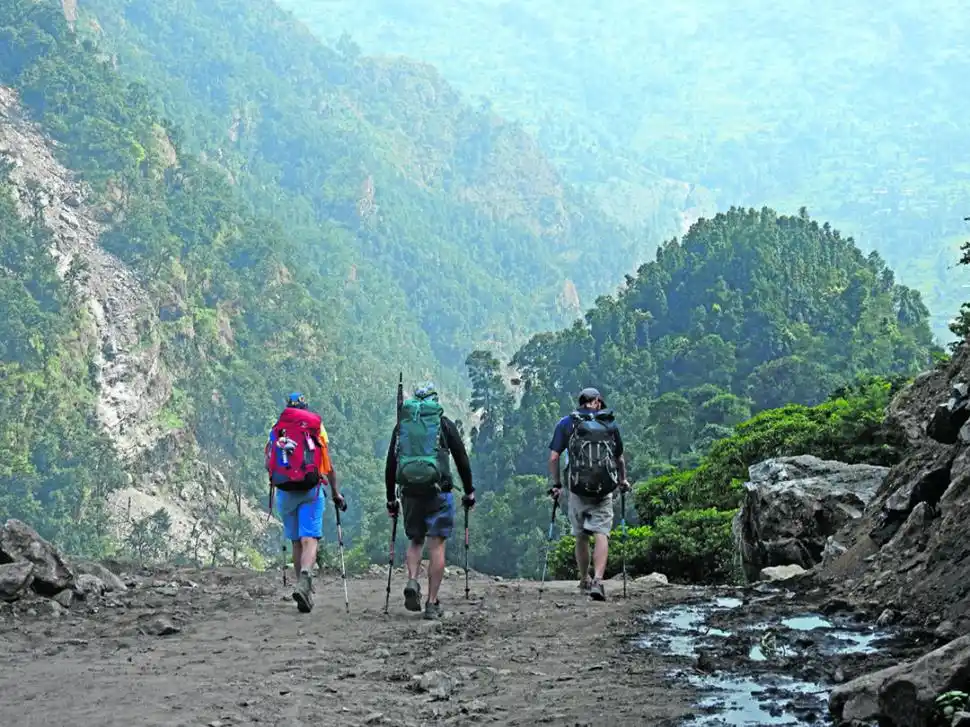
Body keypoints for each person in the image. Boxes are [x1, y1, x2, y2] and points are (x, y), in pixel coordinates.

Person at [384, 382, 475, 620]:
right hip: (439, 492)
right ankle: (432, 602)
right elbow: (461, 459)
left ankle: (412, 580)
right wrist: (469, 491)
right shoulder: (443, 425)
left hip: (410, 492)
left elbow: (391, 464)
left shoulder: (402, 426)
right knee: (437, 545)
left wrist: (390, 498)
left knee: (415, 541)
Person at [265, 392, 346, 613]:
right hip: (311, 489)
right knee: (309, 539)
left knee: (296, 542)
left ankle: (302, 588)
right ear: (305, 407)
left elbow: (268, 462)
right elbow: (327, 464)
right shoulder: (315, 428)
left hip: (284, 492)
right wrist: (336, 493)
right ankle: (305, 579)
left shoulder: (277, 428)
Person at [547, 386, 629, 601]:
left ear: (580, 402)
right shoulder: (609, 423)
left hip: (577, 488)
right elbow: (619, 458)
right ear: (597, 402)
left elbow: (554, 457)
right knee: (602, 532)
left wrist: (557, 484)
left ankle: (584, 578)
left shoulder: (567, 423)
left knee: (581, 535)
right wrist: (622, 480)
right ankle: (599, 581)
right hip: (604, 489)